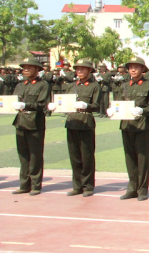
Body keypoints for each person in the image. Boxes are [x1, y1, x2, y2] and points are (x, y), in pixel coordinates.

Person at [107, 56, 149, 201]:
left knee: (142, 158)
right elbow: (119, 103)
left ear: (142, 69)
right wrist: (112, 110)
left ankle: (142, 189)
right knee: (129, 158)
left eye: (136, 67)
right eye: (130, 67)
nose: (133, 69)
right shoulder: (123, 85)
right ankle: (132, 188)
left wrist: (143, 111)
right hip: (126, 125)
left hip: (141, 126)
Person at [47, 58, 99, 197]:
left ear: (89, 70)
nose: (79, 71)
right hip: (71, 122)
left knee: (86, 157)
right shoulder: (71, 86)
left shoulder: (94, 86)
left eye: (83, 69)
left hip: (86, 123)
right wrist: (55, 106)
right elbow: (64, 102)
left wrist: (86, 106)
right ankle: (77, 186)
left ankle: (88, 186)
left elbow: (98, 105)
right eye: (77, 69)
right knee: (74, 156)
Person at [11, 57, 51, 196]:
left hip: (35, 122)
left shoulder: (43, 85)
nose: (26, 69)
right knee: (23, 155)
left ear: (37, 69)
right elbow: (13, 101)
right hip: (21, 122)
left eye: (29, 67)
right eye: (24, 67)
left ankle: (35, 185)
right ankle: (24, 184)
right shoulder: (20, 85)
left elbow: (42, 104)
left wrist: (26, 105)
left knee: (35, 155)